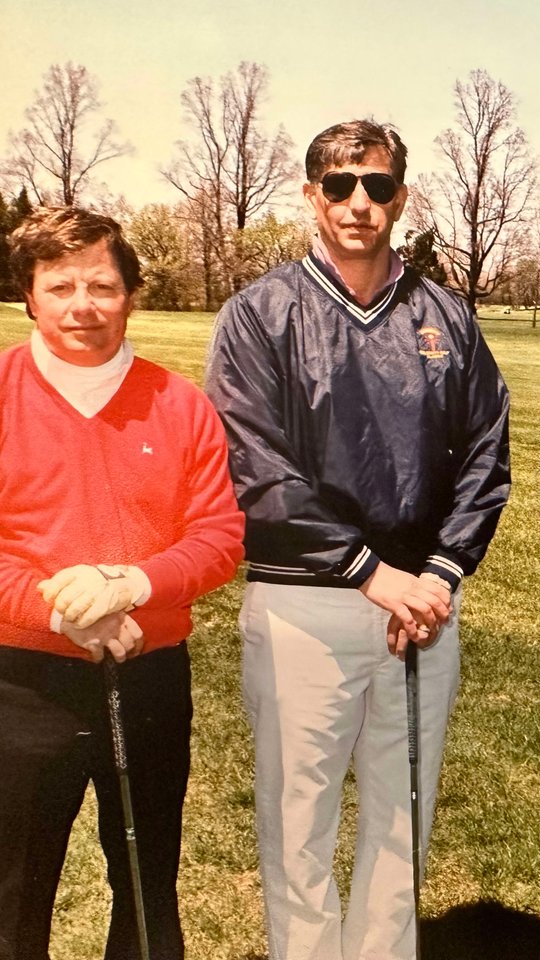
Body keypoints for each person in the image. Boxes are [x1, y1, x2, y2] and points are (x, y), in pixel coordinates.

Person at [205, 120, 510, 960]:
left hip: (422, 610)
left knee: (402, 820)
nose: (358, 204)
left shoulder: (445, 315)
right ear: (310, 196)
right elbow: (255, 466)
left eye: (377, 187)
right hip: (307, 600)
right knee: (297, 826)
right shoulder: (259, 314)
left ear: (401, 199)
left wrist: (441, 573)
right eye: (339, 186)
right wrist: (373, 572)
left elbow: (486, 453)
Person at [0, 207, 244, 958]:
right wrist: (65, 613)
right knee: (12, 895)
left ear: (132, 293)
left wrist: (126, 583)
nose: (83, 305)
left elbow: (219, 538)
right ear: (30, 296)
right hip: (22, 687)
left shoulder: (180, 405)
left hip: (147, 680)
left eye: (102, 285)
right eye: (61, 285)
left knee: (145, 890)